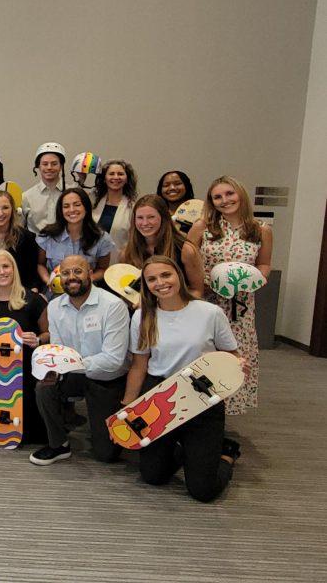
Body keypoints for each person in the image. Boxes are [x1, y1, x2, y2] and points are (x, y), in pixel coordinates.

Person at [122, 255, 241, 502]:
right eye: (152, 279)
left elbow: (231, 355)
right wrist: (128, 406)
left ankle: (226, 454)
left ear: (179, 275)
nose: (160, 283)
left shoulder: (210, 313)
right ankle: (184, 451)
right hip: (159, 394)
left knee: (203, 491)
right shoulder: (143, 316)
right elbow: (139, 365)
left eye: (166, 275)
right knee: (153, 476)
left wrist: (238, 367)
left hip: (202, 394)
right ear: (146, 285)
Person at [29, 255, 129, 466]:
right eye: (65, 273)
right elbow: (59, 350)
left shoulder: (113, 305)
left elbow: (114, 360)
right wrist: (54, 370)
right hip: (74, 373)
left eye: (78, 271)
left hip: (107, 378)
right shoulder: (55, 307)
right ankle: (59, 444)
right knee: (44, 386)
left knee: (106, 454)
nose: (71, 277)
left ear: (90, 274)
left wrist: (69, 365)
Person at [188, 176, 273, 415]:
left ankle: (224, 413)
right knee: (205, 353)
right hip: (208, 300)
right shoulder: (202, 227)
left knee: (235, 356)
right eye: (218, 197)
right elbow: (187, 259)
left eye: (229, 194)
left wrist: (255, 279)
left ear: (240, 194)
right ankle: (198, 413)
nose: (225, 200)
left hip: (240, 306)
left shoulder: (261, 230)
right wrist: (202, 284)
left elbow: (264, 264)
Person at [0, 249, 49, 444]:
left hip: (24, 375)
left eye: (6, 266)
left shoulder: (33, 300)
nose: (2, 272)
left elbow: (50, 333)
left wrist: (37, 340)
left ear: (14, 269)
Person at [120, 194, 205, 299]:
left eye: (151, 217)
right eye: (140, 218)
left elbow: (197, 291)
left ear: (164, 218)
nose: (145, 223)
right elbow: (125, 294)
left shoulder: (186, 250)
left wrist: (166, 305)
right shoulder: (127, 253)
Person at [36, 188, 114, 290]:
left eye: (77, 205)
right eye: (66, 206)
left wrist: (89, 279)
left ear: (86, 208)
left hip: (87, 292)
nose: (72, 210)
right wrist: (48, 281)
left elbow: (103, 269)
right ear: (61, 211)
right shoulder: (48, 235)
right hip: (54, 292)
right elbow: (40, 264)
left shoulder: (101, 238)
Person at [91, 160, 137, 264]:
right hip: (92, 262)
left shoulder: (133, 208)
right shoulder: (93, 202)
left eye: (120, 174)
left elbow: (134, 239)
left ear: (127, 179)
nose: (116, 177)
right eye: (111, 174)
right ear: (104, 179)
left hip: (119, 263)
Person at [22, 142, 67, 235]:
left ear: (61, 166)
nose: (49, 167)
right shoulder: (26, 197)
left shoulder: (71, 193)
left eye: (54, 164)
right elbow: (20, 229)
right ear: (38, 166)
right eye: (45, 164)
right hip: (35, 243)